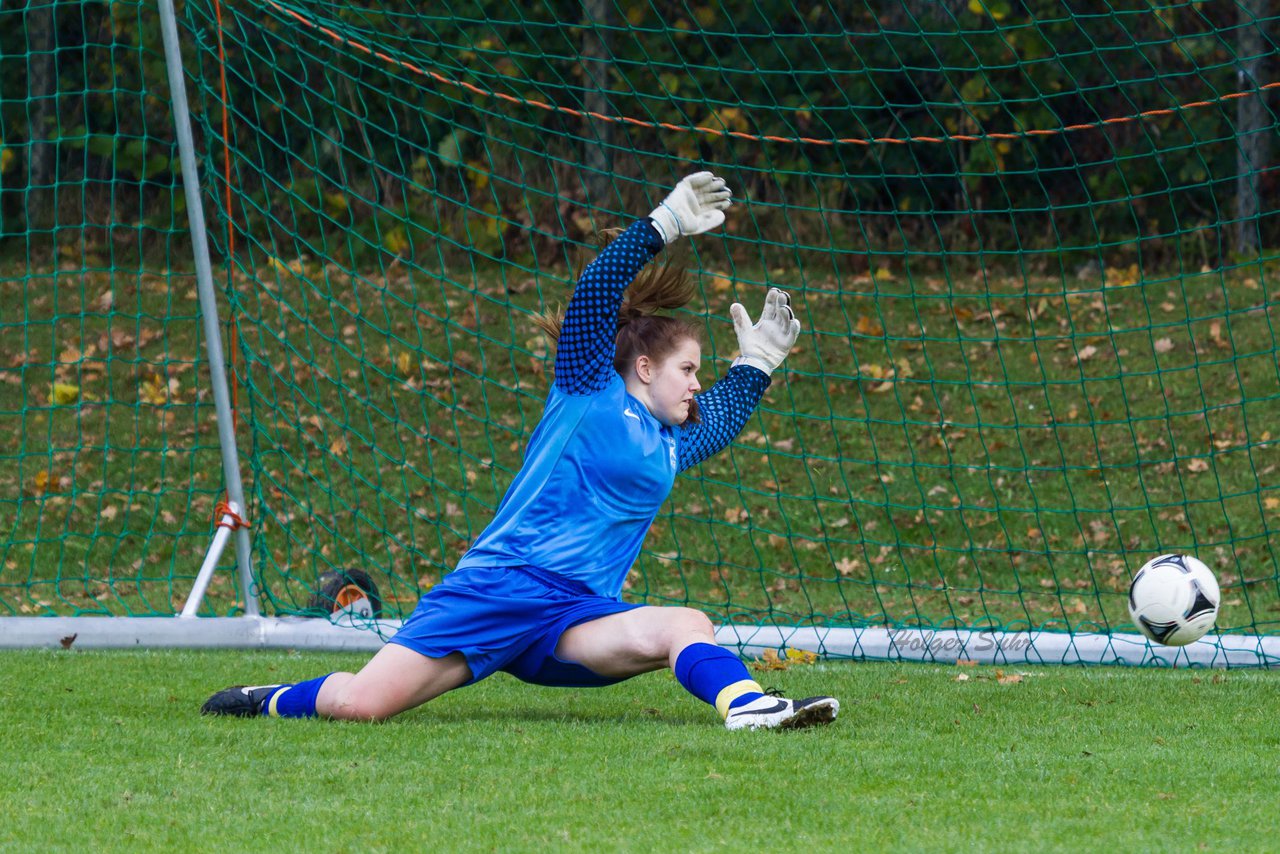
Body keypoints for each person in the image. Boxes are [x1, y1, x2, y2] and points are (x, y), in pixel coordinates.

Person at [202, 172, 838, 731]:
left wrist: (758, 362)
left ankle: (749, 708)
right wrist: (663, 223)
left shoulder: (669, 443)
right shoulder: (587, 388)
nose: (699, 383)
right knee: (362, 705)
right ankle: (271, 699)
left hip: (574, 620)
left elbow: (719, 419)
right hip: (498, 589)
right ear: (643, 367)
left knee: (685, 624)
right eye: (689, 369)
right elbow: (594, 293)